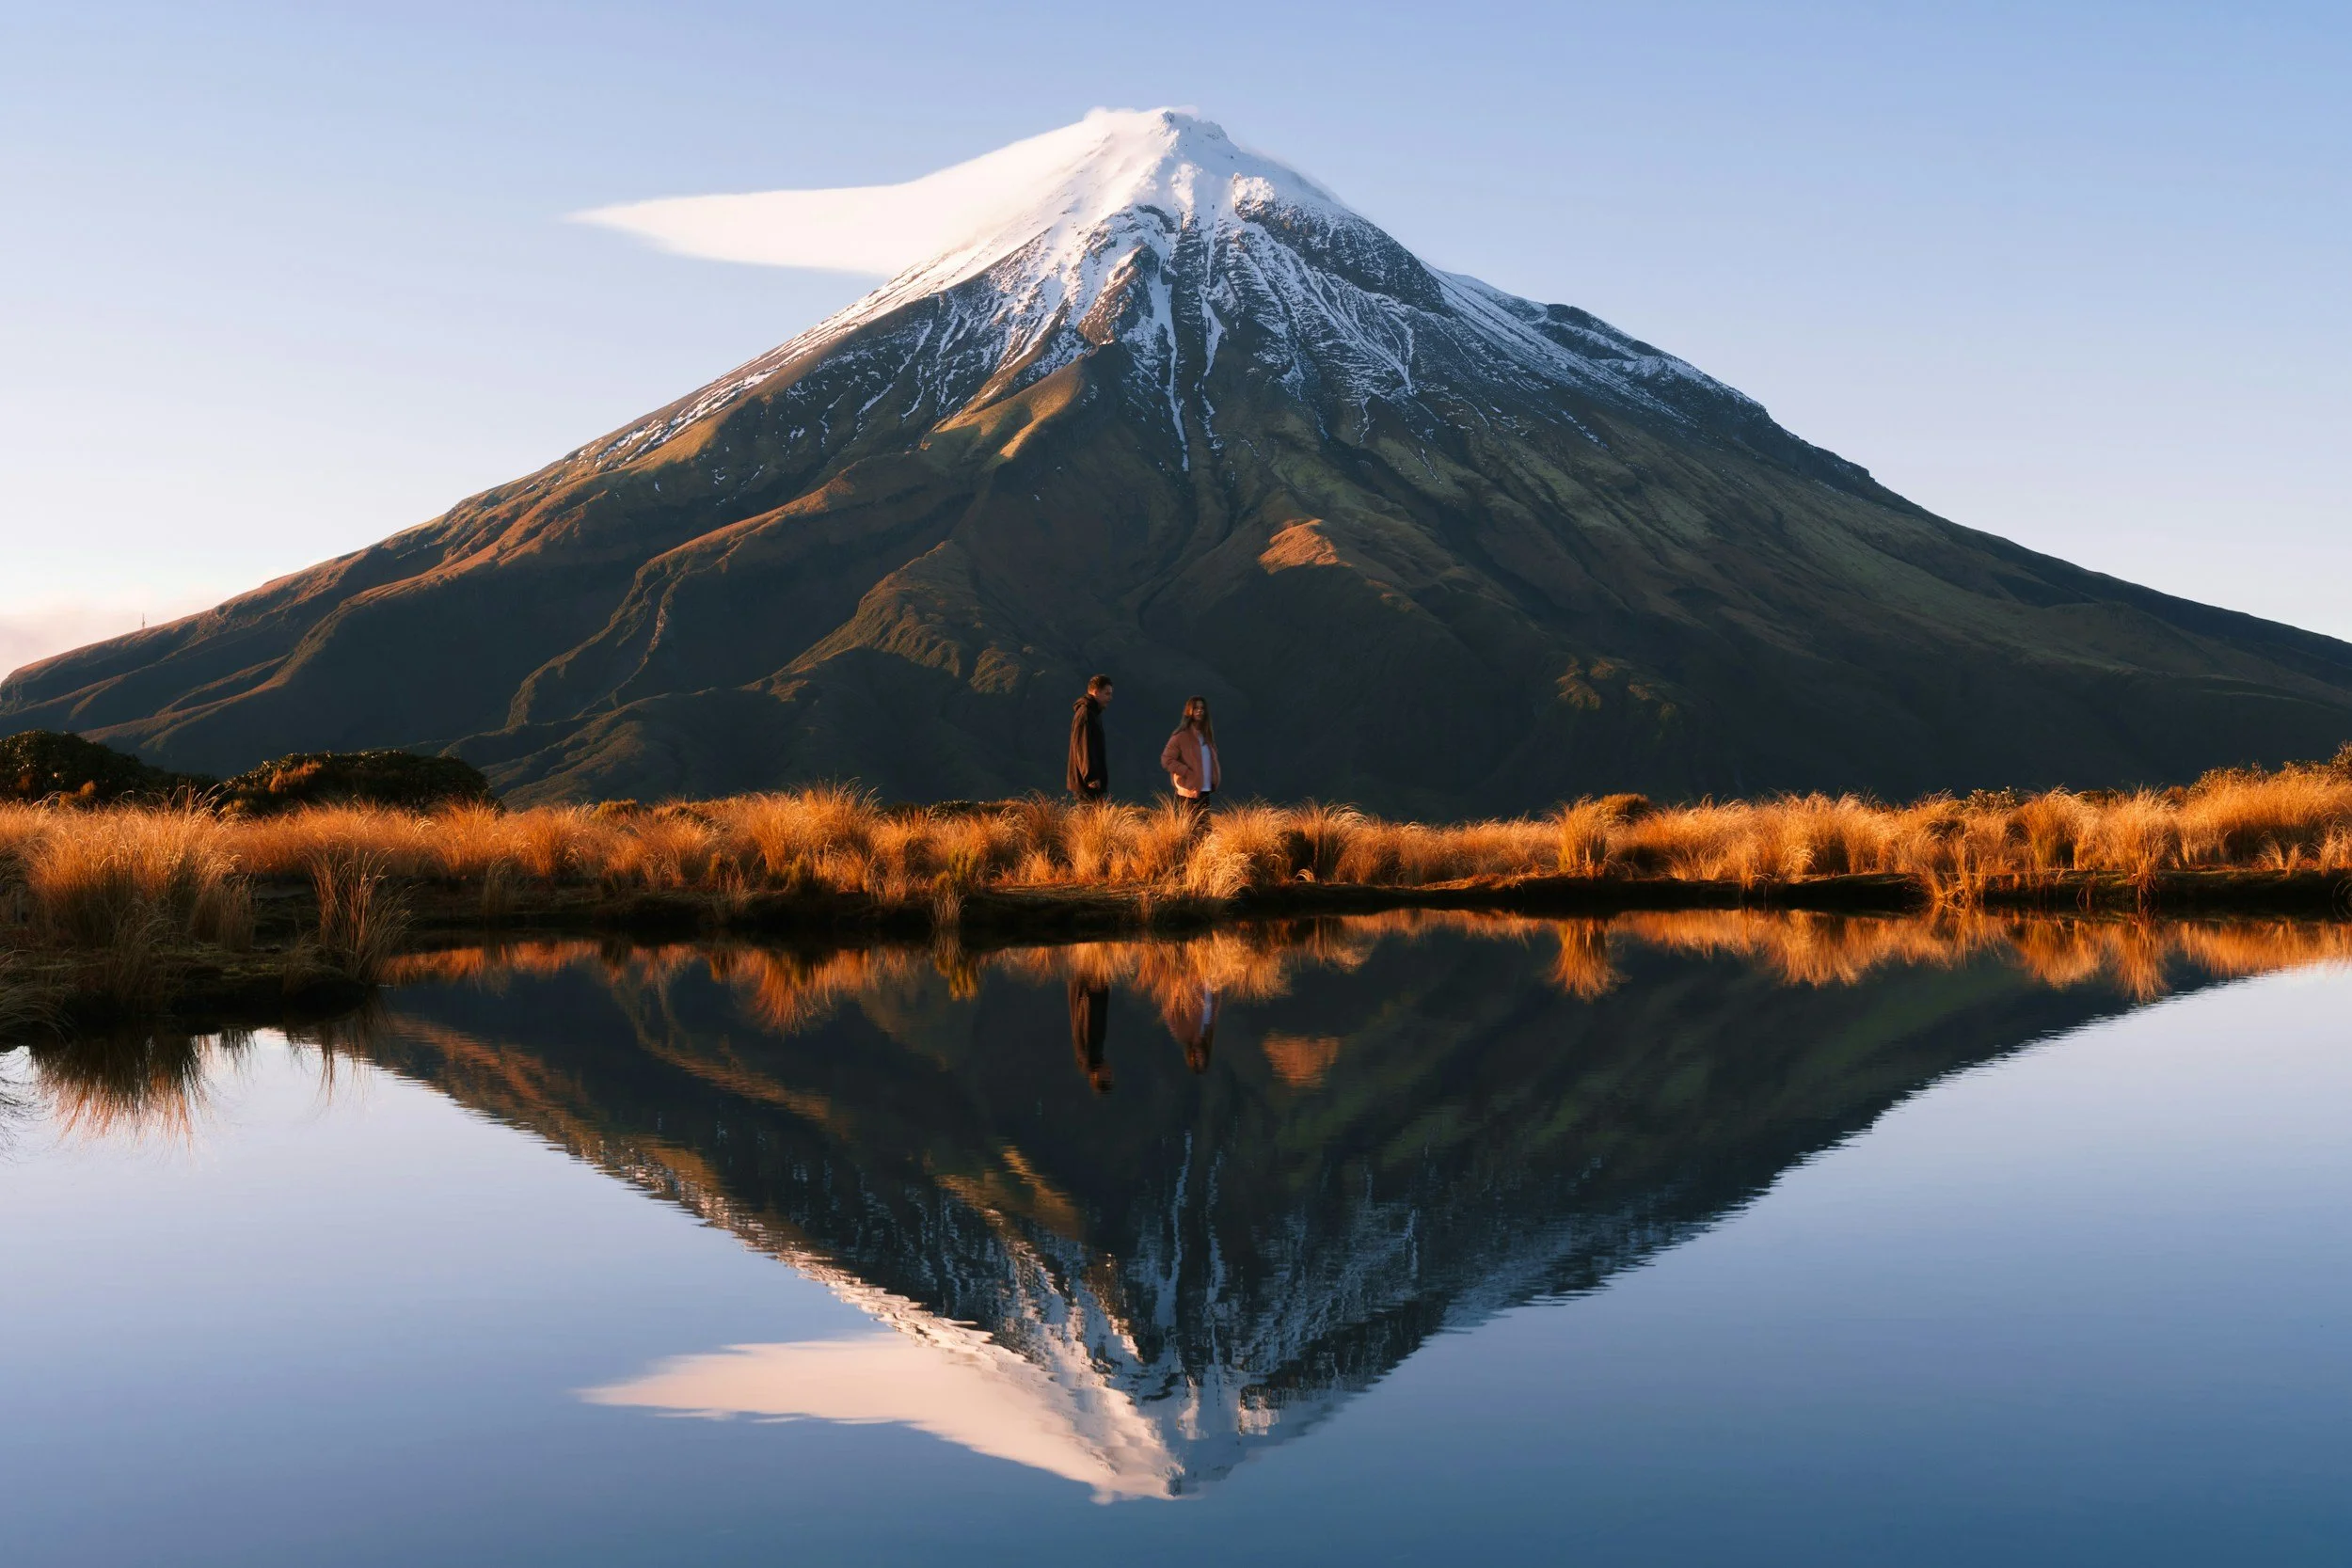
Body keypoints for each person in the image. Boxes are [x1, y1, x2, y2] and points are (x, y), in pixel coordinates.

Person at [1158, 695, 1221, 816]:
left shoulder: (1206, 736)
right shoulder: (1181, 737)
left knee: (1203, 830)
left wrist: (1214, 778)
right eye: (1196, 708)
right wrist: (1187, 772)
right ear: (1189, 711)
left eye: (1202, 708)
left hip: (1204, 789)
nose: (1199, 711)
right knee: (1194, 829)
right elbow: (1166, 760)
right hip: (1188, 792)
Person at [1068, 674, 1113, 800]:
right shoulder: (1086, 714)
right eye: (1107, 694)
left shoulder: (1093, 713)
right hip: (1087, 785)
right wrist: (1091, 777)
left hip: (1090, 783)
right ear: (1096, 692)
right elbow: (1082, 747)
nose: (1110, 698)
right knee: (1089, 816)